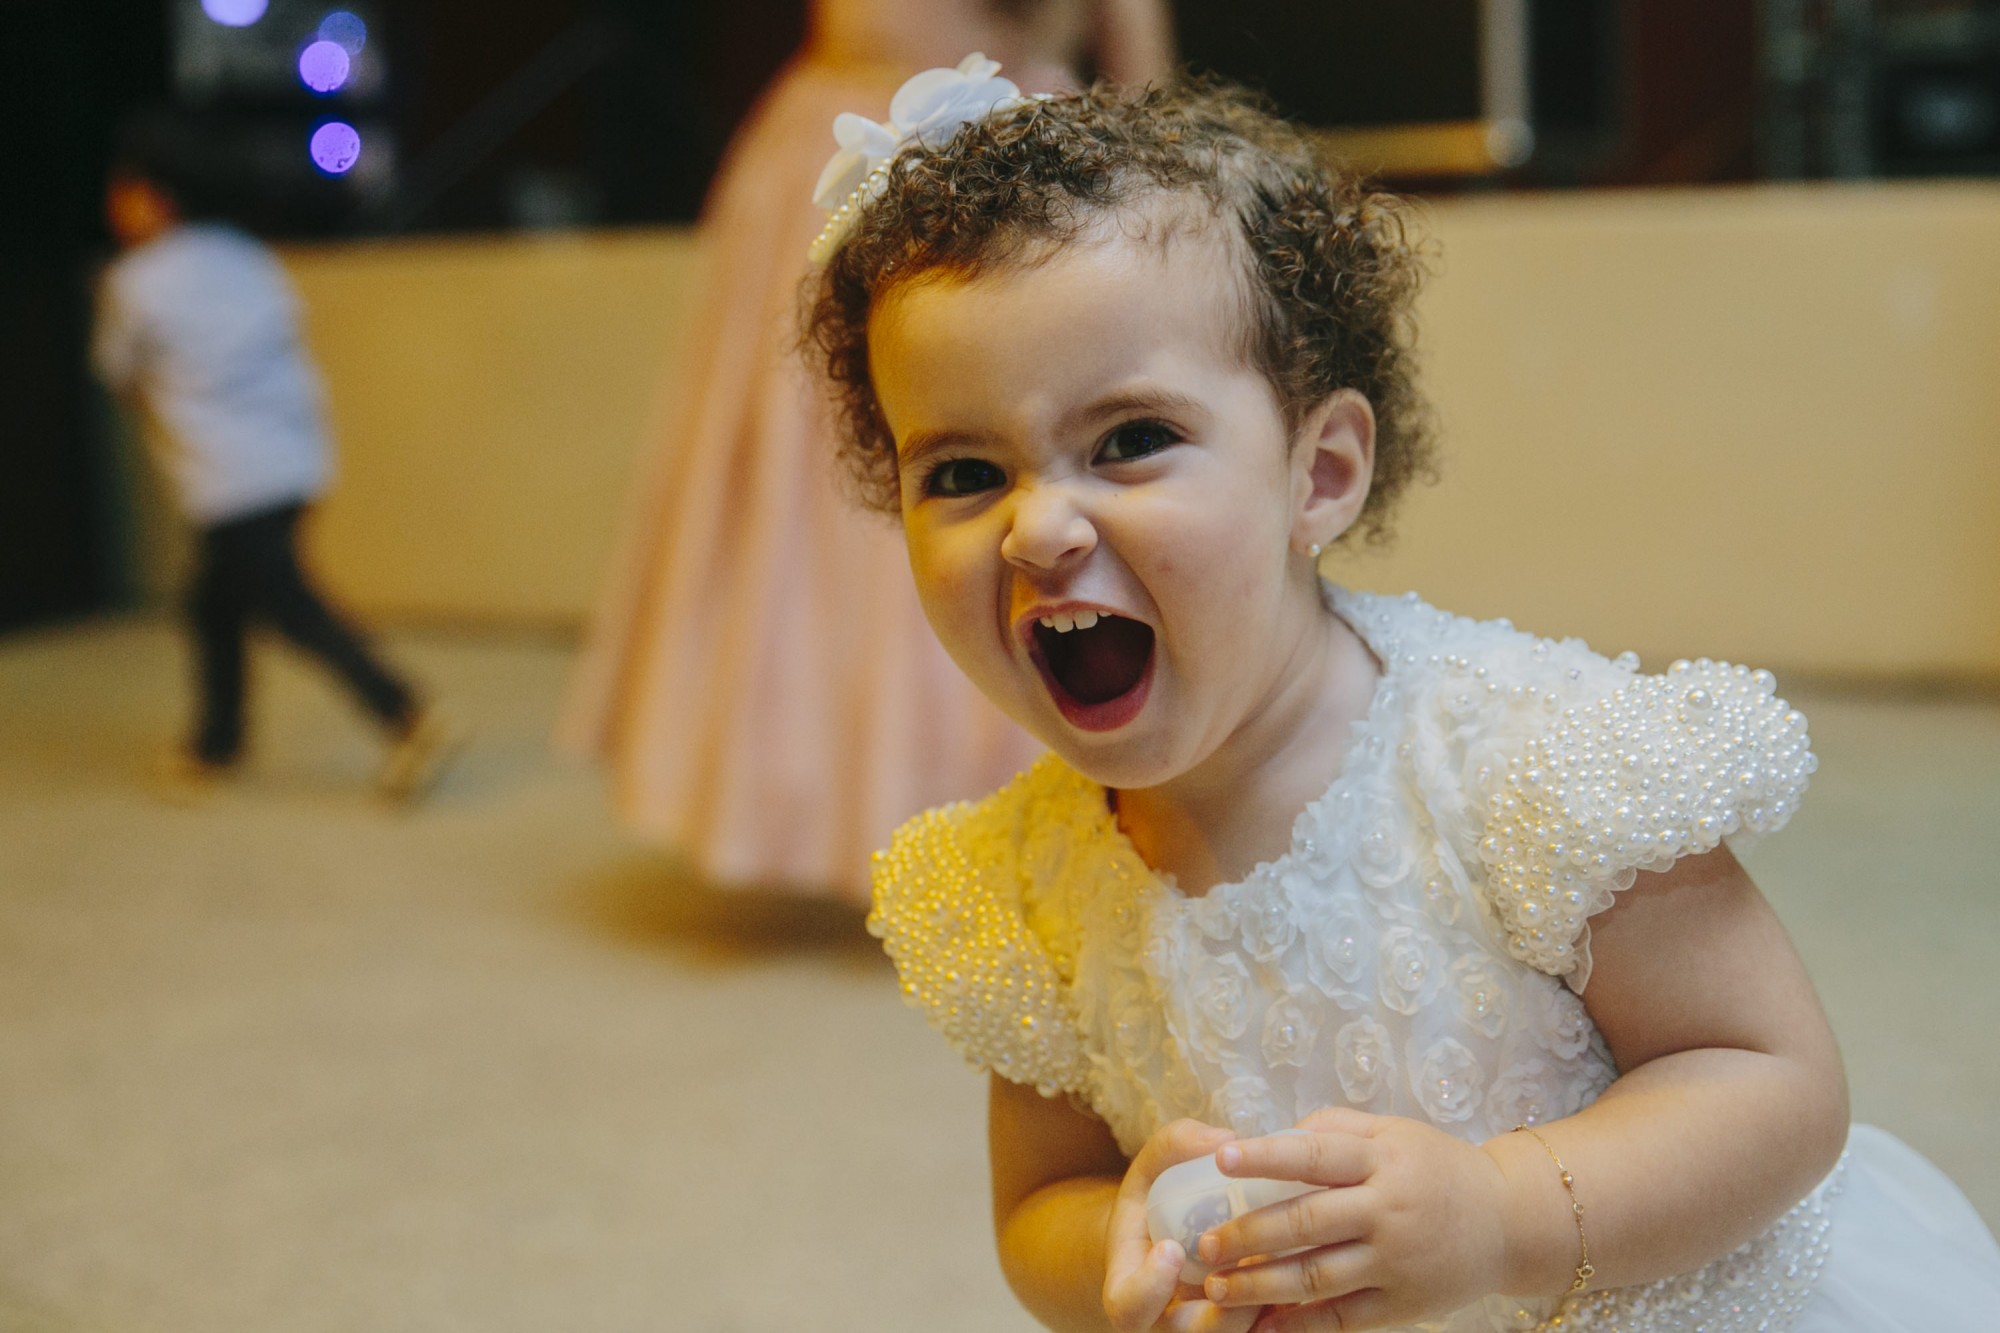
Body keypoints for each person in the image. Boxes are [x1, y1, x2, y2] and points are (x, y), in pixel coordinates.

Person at [801, 65, 2000, 1333]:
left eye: (1130, 440)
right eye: (964, 470)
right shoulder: (1021, 886)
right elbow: (1042, 1197)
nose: (1038, 526)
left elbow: (1771, 1084)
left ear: (1318, 474)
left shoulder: (1520, 765)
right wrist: (1121, 1245)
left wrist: (1497, 1215)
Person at [557, 0, 1171, 900]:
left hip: (999, 145)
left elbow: (1130, 49)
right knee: (815, 491)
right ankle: (834, 814)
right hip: (832, 149)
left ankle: (1007, 823)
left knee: (987, 474)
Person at [93, 116, 458, 802]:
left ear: (158, 197)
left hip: (229, 476)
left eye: (124, 190)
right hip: (295, 458)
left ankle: (406, 712)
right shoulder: (243, 255)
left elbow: (121, 375)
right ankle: (216, 745)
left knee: (286, 605)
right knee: (214, 607)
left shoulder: (136, 282)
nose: (113, 204)